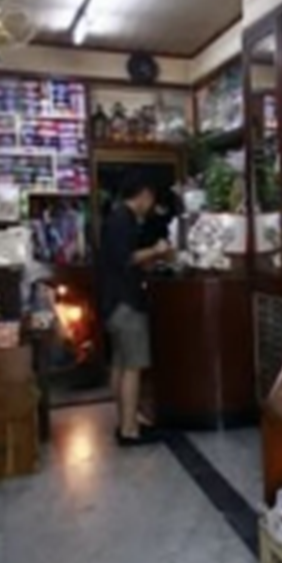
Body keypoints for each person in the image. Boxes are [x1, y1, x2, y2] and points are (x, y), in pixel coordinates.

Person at [98, 172, 171, 445]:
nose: (150, 205)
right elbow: (126, 258)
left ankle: (125, 422)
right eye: (150, 199)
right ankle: (130, 430)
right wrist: (157, 250)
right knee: (133, 367)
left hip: (113, 303)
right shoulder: (122, 220)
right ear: (144, 195)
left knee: (119, 364)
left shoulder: (117, 218)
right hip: (126, 303)